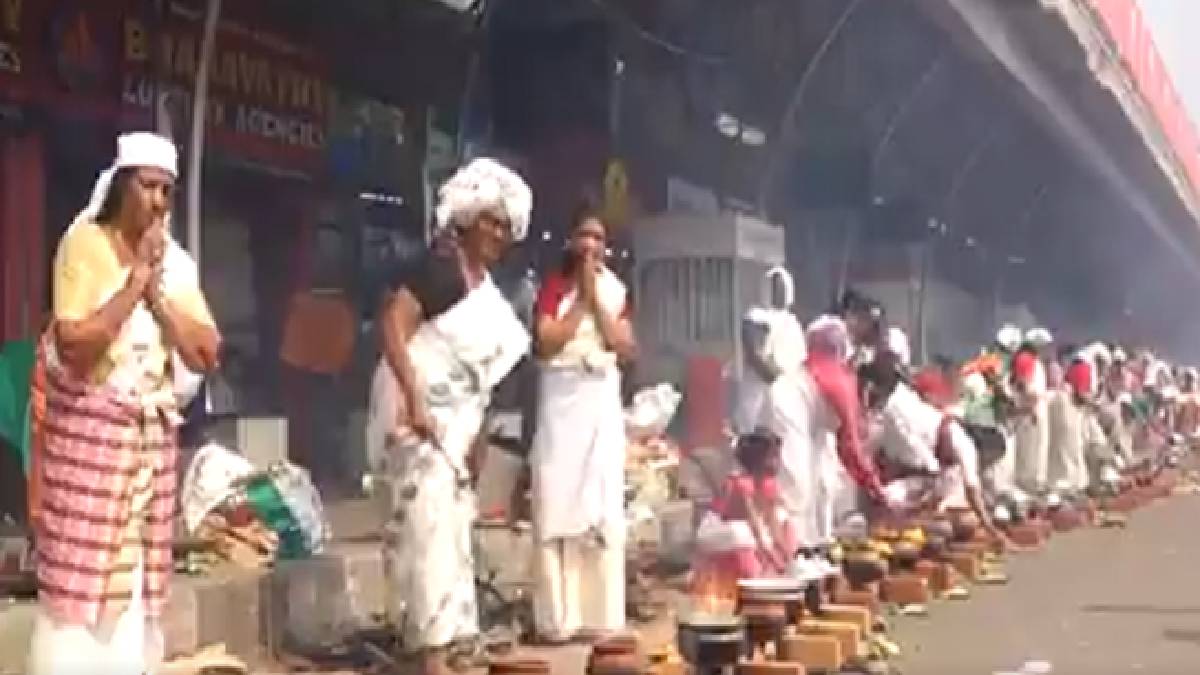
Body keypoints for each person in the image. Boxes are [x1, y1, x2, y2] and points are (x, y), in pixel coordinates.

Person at [28, 132, 220, 675]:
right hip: (88, 449)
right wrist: (134, 284)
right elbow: (76, 346)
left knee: (131, 590)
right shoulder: (84, 245)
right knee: (77, 595)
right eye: (149, 187)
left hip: (144, 453)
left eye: (167, 191)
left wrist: (157, 296)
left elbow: (207, 352)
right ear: (121, 186)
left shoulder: (175, 264)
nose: (159, 202)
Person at [374, 158, 532, 675]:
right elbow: (395, 327)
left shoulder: (485, 286)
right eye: (489, 220)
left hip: (456, 423)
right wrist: (415, 400)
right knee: (428, 534)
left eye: (505, 226)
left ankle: (448, 648)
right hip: (416, 415)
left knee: (452, 535)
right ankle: (432, 660)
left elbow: (479, 381)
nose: (497, 233)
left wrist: (479, 435)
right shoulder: (441, 265)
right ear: (466, 217)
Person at [530, 203, 636, 643]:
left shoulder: (617, 291)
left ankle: (601, 617)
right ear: (572, 242)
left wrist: (596, 298)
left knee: (601, 504)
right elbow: (546, 342)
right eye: (584, 235)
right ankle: (558, 621)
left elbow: (626, 347)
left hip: (600, 400)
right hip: (561, 401)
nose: (591, 244)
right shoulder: (554, 287)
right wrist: (579, 304)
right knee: (557, 501)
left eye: (598, 237)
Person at [763, 315, 891, 579]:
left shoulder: (841, 377)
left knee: (825, 481)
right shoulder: (834, 380)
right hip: (789, 409)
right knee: (797, 483)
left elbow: (849, 445)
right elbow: (851, 448)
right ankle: (793, 555)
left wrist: (870, 483)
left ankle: (817, 548)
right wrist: (876, 489)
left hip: (814, 426)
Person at [693, 431, 796, 584]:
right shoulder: (741, 483)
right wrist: (771, 555)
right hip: (720, 529)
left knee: (786, 519)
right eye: (772, 457)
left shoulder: (769, 483)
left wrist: (787, 557)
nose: (777, 462)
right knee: (741, 533)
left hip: (748, 530)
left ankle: (772, 565)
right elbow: (754, 525)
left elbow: (772, 522)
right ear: (757, 460)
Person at [733, 266, 806, 435]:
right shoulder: (757, 316)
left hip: (788, 393)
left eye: (782, 287)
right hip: (760, 392)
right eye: (775, 287)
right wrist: (775, 376)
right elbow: (755, 355)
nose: (779, 291)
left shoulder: (791, 321)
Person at [1011, 329, 1052, 496]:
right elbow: (1023, 384)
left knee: (1038, 447)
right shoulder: (1025, 359)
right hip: (1030, 409)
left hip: (1036, 406)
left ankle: (1036, 482)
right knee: (1030, 448)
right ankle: (1028, 485)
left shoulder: (1032, 360)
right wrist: (1031, 406)